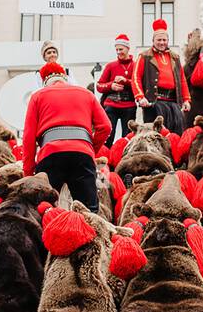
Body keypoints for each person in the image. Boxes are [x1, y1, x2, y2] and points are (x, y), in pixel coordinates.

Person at [22, 61, 111, 209]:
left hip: (50, 155)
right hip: (82, 154)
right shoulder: (86, 94)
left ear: (45, 81)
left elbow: (28, 137)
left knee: (45, 209)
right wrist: (90, 149)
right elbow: (106, 127)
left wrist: (28, 172)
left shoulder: (38, 96)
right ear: (64, 77)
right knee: (89, 211)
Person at [131, 19, 191, 135]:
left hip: (174, 103)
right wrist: (140, 97)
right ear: (153, 40)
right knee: (155, 135)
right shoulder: (144, 56)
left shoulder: (175, 57)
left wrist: (186, 99)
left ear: (168, 41)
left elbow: (182, 80)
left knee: (176, 134)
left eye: (164, 40)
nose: (162, 42)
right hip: (154, 103)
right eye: (159, 40)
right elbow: (135, 78)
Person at [97, 33, 137, 142]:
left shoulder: (135, 65)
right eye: (117, 50)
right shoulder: (111, 66)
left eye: (121, 49)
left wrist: (126, 81)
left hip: (129, 105)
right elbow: (99, 85)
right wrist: (111, 86)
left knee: (127, 137)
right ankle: (106, 156)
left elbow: (139, 84)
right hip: (111, 104)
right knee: (108, 135)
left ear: (128, 48)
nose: (119, 52)